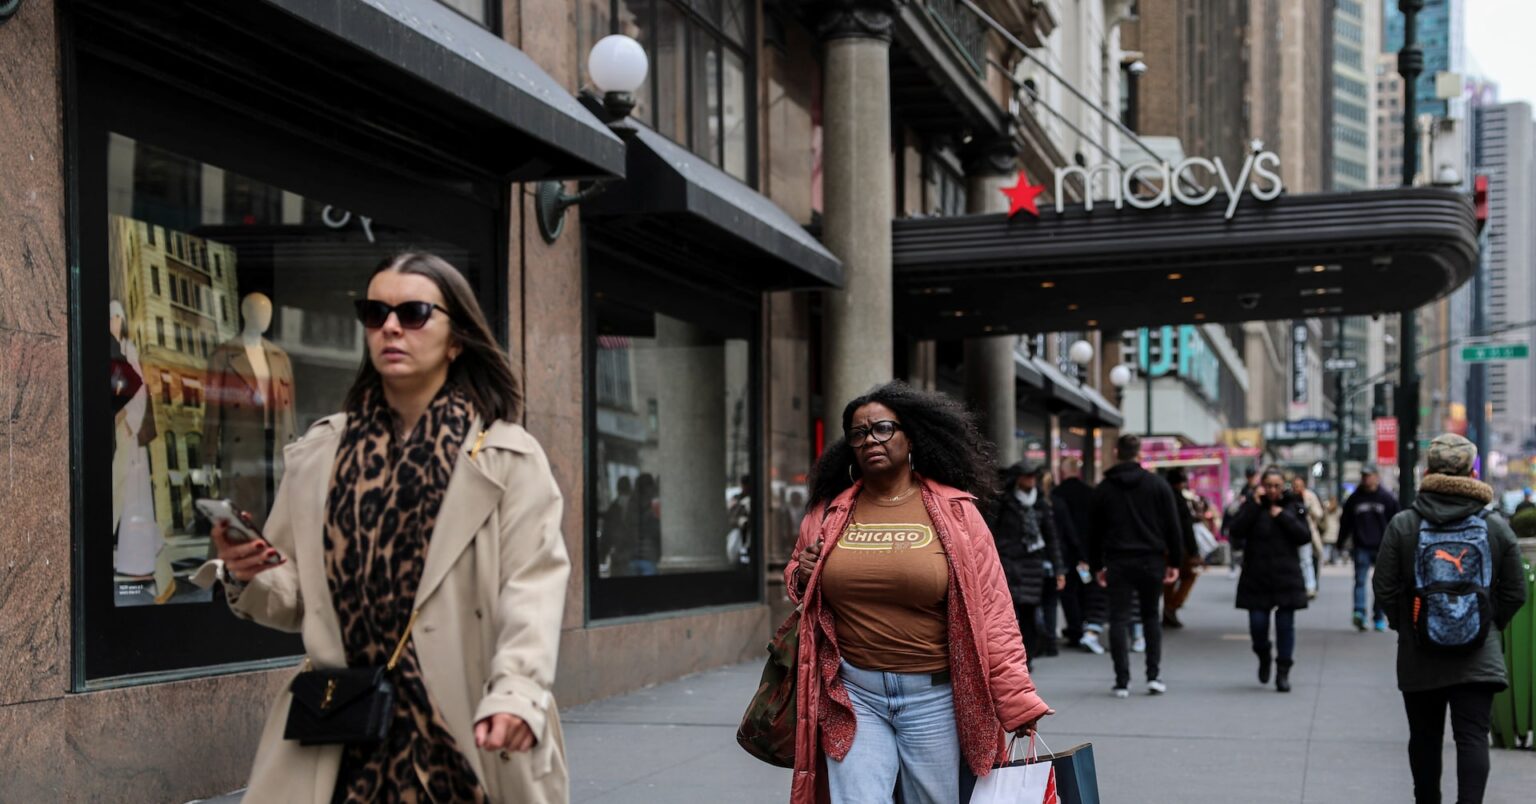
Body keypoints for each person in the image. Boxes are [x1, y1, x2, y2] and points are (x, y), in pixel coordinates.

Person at [199, 253, 570, 802]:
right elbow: (294, 596)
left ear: (456, 339)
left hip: (466, 727)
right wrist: (245, 571)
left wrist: (517, 690)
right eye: (375, 313)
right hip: (341, 731)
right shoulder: (320, 454)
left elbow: (532, 587)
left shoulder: (507, 459)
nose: (390, 327)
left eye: (414, 312)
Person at [786, 382, 1053, 804]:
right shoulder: (829, 512)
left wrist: (1017, 700)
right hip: (852, 694)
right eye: (858, 433)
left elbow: (994, 612)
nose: (870, 439)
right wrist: (800, 573)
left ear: (911, 436)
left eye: (883, 429)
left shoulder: (956, 512)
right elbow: (800, 579)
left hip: (934, 699)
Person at [1374, 434, 1528, 804]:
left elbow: (1384, 587)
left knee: (1424, 739)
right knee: (1472, 737)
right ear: (1473, 472)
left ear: (1427, 471)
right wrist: (1487, 625)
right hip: (1478, 656)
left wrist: (1409, 626)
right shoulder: (1495, 526)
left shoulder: (1403, 524)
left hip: (1420, 653)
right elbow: (1515, 592)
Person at [1088, 434, 1184, 699]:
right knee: (1150, 616)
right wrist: (1175, 561)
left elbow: (1094, 533)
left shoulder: (1105, 489)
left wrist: (1097, 565)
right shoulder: (1157, 486)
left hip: (1118, 560)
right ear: (1139, 452)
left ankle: (1122, 681)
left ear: (1117, 451)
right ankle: (1153, 676)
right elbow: (1173, 527)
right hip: (1151, 560)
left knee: (1118, 618)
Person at [1228, 468, 1313, 693]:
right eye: (1268, 485)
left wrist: (1282, 515)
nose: (1273, 490)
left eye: (1277, 485)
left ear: (1283, 485)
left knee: (1285, 626)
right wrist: (1254, 507)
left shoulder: (1293, 505)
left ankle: (1283, 671)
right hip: (1257, 577)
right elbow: (1235, 530)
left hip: (1286, 578)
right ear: (1261, 486)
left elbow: (1304, 536)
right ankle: (1263, 655)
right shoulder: (1252, 505)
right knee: (1258, 626)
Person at [987, 460, 1064, 668]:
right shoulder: (1003, 502)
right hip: (1009, 563)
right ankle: (1013, 657)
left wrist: (1059, 569)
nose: (1031, 480)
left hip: (1033, 565)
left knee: (1030, 614)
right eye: (1027, 476)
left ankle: (1028, 656)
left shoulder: (1040, 503)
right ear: (1018, 478)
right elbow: (990, 532)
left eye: (1033, 477)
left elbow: (1051, 537)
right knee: (1010, 613)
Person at [1055, 458, 1108, 655]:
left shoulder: (1057, 495)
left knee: (1069, 593)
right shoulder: (1090, 493)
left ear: (1063, 471)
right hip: (1087, 550)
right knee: (1087, 589)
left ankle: (1075, 629)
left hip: (1067, 552)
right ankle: (1088, 624)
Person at [1339, 466, 1400, 631]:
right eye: (1364, 476)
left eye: (1369, 476)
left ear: (1376, 477)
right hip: (1361, 546)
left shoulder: (1387, 498)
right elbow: (1345, 522)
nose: (1366, 479)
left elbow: (1396, 521)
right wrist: (1341, 542)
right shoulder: (1355, 499)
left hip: (1382, 546)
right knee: (1360, 580)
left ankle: (1378, 616)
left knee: (1380, 583)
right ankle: (1359, 612)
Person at [1160, 468, 1202, 630]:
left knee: (1169, 581)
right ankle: (1171, 607)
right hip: (1179, 546)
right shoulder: (1179, 500)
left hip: (1163, 546)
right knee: (1188, 575)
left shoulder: (1162, 498)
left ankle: (1169, 609)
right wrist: (1194, 551)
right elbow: (1186, 527)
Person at [1291, 475, 1327, 600]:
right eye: (1295, 486)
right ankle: (1300, 585)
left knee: (1308, 561)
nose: (1297, 489)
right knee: (1298, 561)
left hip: (1308, 533)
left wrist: (1308, 508)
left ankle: (1311, 586)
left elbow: (1319, 514)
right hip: (1293, 533)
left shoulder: (1310, 497)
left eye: (1300, 486)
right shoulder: (1289, 497)